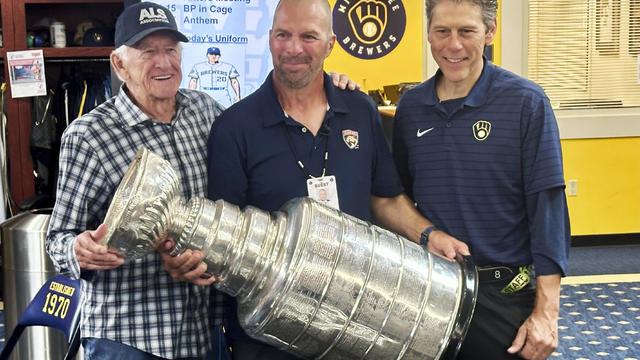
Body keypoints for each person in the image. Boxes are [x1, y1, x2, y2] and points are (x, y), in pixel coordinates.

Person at [206, 0, 469, 359]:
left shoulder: (360, 111)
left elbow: (385, 198)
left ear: (331, 44)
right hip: (269, 332)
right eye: (283, 35)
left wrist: (428, 235)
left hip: (356, 323)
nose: (293, 48)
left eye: (308, 36)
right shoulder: (234, 128)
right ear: (269, 39)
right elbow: (227, 237)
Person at [392, 1, 571, 359]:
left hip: (503, 299)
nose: (452, 45)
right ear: (428, 33)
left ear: (490, 32)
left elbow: (548, 212)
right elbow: (398, 201)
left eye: (466, 31)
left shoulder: (526, 103)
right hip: (429, 294)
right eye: (442, 31)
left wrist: (546, 312)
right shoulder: (410, 108)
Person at [45, 1, 224, 358]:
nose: (163, 63)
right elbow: (58, 238)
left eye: (171, 50)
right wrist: (79, 250)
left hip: (204, 331)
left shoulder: (206, 111)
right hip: (130, 338)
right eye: (147, 52)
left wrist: (329, 87)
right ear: (119, 63)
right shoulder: (89, 136)